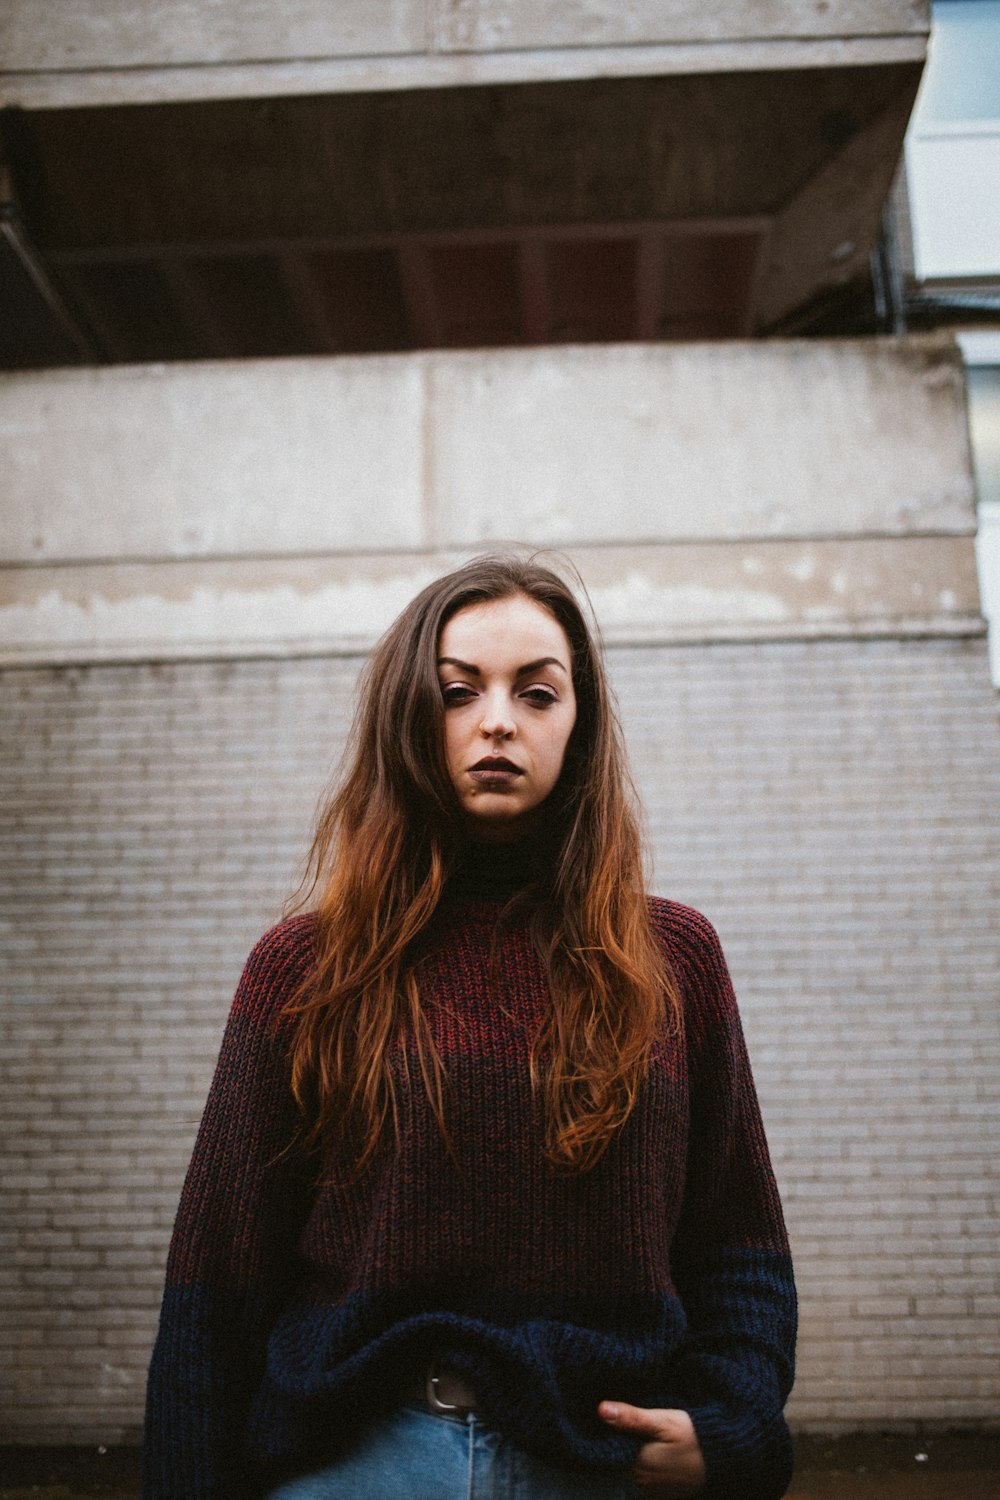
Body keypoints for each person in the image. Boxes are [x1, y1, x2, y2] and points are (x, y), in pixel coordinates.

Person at [143, 554, 796, 1500]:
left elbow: (738, 1246)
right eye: (458, 692)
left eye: (538, 693)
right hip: (355, 1462)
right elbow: (218, 1283)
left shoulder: (674, 958)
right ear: (410, 715)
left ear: (580, 724)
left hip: (602, 1465)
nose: (498, 720)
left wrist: (733, 1431)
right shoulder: (303, 970)